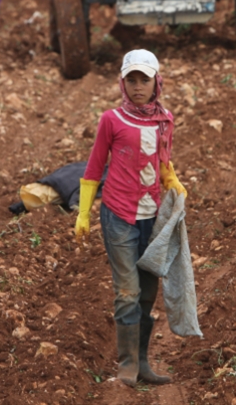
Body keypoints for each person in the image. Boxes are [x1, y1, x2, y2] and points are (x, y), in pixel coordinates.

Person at [75, 49, 188, 386]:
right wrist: (83, 212)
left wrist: (172, 180)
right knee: (127, 291)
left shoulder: (164, 119)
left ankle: (142, 363)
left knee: (147, 292)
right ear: (122, 83)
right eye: (132, 80)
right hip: (119, 215)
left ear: (157, 83)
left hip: (151, 219)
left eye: (145, 80)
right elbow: (95, 166)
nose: (138, 86)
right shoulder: (112, 120)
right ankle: (126, 367)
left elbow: (162, 160)